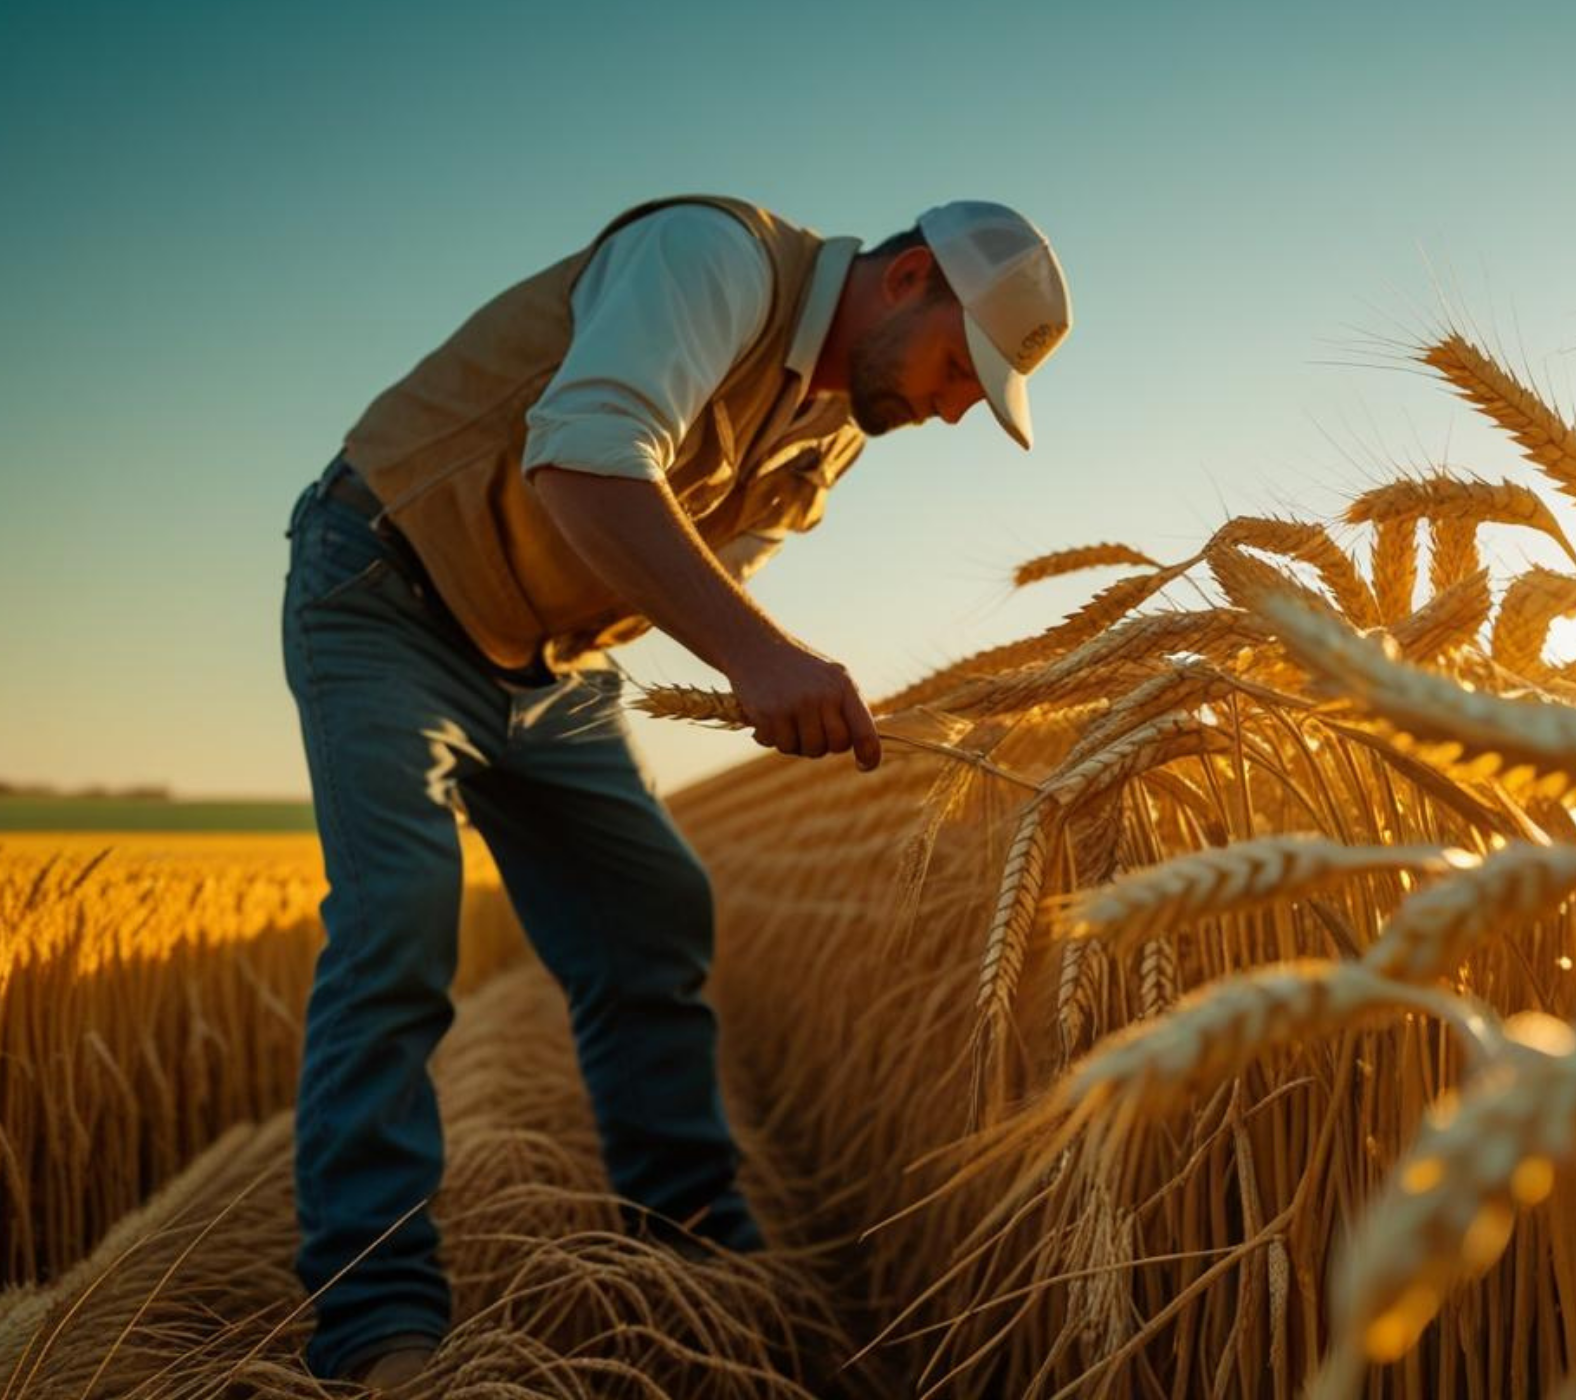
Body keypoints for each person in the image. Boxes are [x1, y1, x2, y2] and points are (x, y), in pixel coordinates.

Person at [277, 195, 1070, 1387]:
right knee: (397, 919)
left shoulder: (831, 435)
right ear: (907, 278)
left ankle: (691, 1237)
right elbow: (583, 459)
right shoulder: (714, 258)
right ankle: (375, 1324)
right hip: (388, 588)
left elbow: (697, 576)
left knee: (655, 912)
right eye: (963, 367)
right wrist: (760, 659)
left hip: (548, 663)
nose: (957, 406)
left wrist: (764, 666)